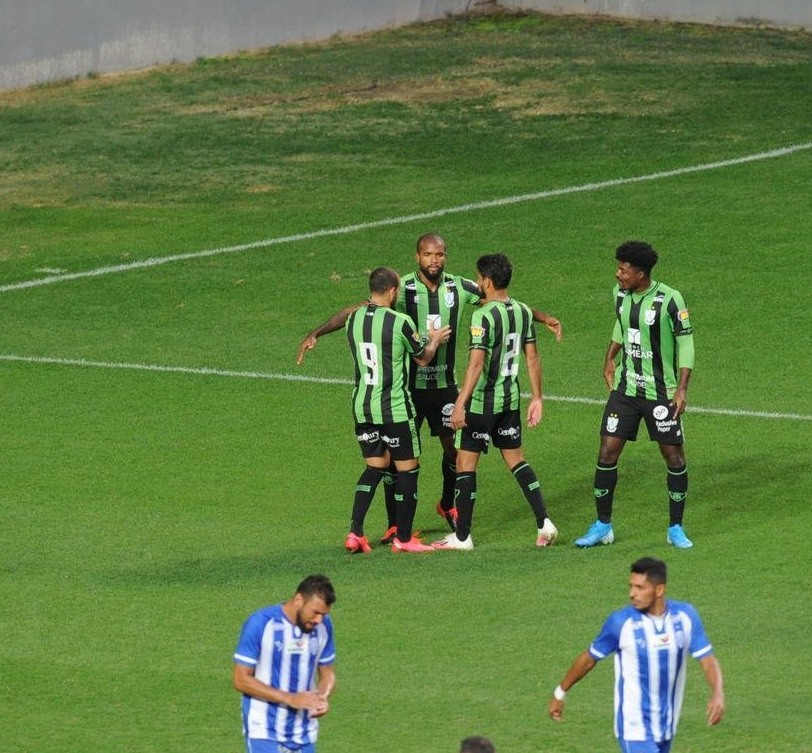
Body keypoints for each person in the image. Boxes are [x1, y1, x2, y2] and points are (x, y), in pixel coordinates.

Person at [297, 233, 561, 543]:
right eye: (427, 254)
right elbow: (355, 310)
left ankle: (448, 505)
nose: (434, 260)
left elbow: (501, 299)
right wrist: (316, 332)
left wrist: (543, 318)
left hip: (445, 388)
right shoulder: (403, 287)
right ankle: (395, 525)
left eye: (439, 254)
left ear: (445, 256)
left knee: (454, 448)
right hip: (408, 389)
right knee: (396, 456)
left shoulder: (460, 287)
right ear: (417, 257)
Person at [547, 557, 724, 753]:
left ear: (659, 590)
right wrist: (560, 692)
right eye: (631, 586)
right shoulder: (621, 623)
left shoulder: (685, 617)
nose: (632, 593)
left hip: (667, 725)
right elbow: (589, 659)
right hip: (634, 727)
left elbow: (707, 659)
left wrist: (718, 693)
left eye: (640, 587)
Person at [576, 241, 695, 550]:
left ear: (640, 274)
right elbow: (622, 325)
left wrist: (682, 388)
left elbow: (686, 343)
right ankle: (603, 526)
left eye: (623, 270)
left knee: (673, 456)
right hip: (627, 390)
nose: (618, 274)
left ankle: (675, 528)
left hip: (661, 393)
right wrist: (609, 357)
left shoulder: (670, 299)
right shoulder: (620, 295)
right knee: (607, 452)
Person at [433, 253, 558, 550]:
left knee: (465, 465)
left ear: (487, 282)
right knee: (516, 460)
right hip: (510, 401)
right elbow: (532, 358)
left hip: (481, 404)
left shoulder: (483, 316)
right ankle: (544, 522)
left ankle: (462, 536)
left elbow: (476, 365)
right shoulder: (523, 311)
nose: (477, 283)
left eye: (478, 279)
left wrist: (460, 403)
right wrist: (537, 397)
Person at [339, 267, 449, 553]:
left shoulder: (353, 318)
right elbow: (423, 358)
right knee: (408, 470)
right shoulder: (399, 322)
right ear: (392, 291)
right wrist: (434, 339)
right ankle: (404, 537)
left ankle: (355, 532)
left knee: (374, 468)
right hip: (395, 409)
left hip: (363, 406)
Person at [233, 575, 337, 753]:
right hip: (264, 730)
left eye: (323, 614)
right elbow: (240, 679)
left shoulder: (324, 626)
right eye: (315, 612)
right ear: (299, 599)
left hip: (304, 731)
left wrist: (322, 696)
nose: (319, 619)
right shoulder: (261, 623)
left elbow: (327, 672)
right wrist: (289, 698)